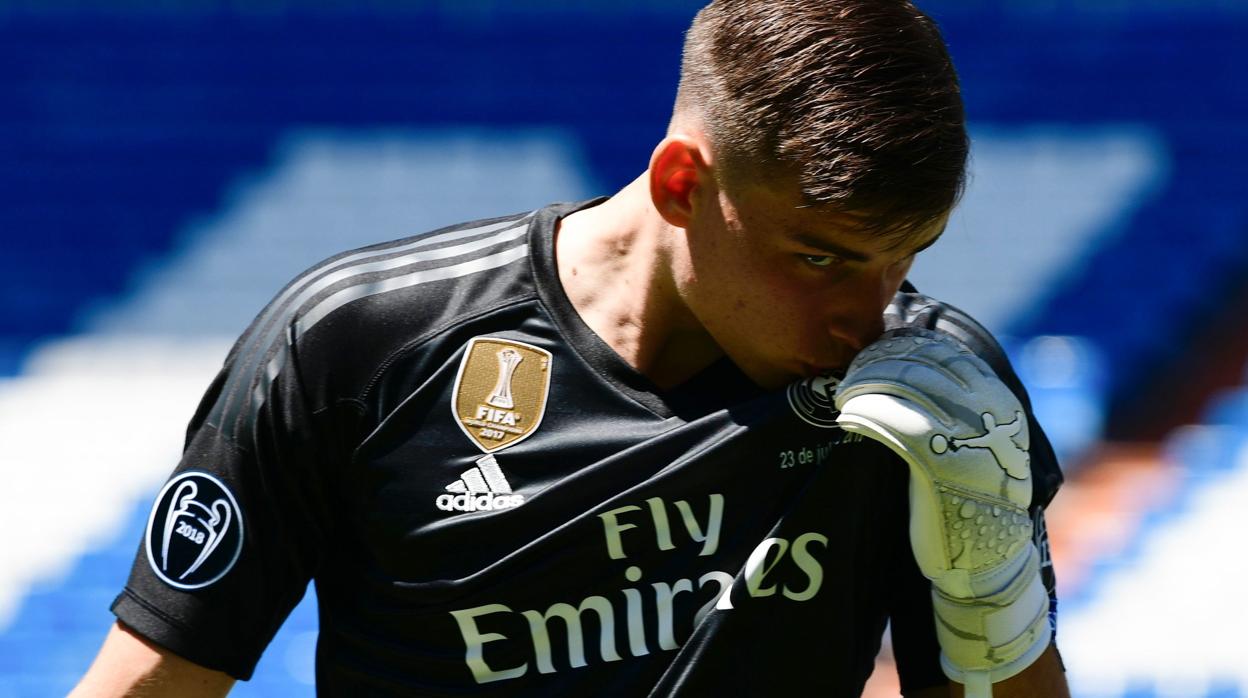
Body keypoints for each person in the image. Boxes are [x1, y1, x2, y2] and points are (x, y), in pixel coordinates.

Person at [73, 0, 1070, 695]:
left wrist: (995, 591)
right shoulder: (361, 344)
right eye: (821, 256)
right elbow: (148, 683)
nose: (869, 313)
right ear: (683, 180)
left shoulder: (929, 401)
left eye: (907, 257)